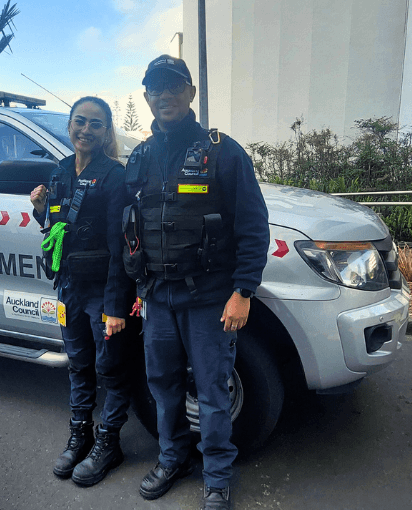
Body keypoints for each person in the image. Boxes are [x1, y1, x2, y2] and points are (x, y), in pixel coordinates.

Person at [123, 55, 269, 509]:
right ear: (146, 97)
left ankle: (218, 477)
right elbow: (132, 224)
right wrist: (135, 287)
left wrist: (243, 291)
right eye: (154, 87)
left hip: (209, 299)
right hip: (158, 299)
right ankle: (172, 459)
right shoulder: (142, 155)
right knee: (163, 385)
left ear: (189, 93)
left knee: (212, 390)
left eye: (172, 85)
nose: (163, 94)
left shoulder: (223, 151)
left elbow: (253, 224)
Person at [30, 96, 134, 487]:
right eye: (80, 122)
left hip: (102, 292)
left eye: (95, 124)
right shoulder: (59, 172)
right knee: (78, 363)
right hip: (69, 287)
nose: (86, 130)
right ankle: (81, 435)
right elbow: (57, 229)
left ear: (106, 131)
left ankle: (109, 442)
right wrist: (42, 209)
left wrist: (115, 306)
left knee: (110, 367)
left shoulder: (114, 176)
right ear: (70, 126)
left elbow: (120, 246)